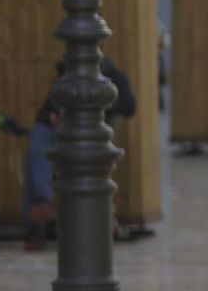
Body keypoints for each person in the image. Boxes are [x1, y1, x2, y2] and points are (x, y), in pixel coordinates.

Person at [24, 56, 137, 251]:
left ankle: (41, 209)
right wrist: (54, 118)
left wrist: (93, 107)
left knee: (39, 156)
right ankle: (43, 202)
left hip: (93, 133)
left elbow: (129, 106)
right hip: (61, 133)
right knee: (38, 140)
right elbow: (43, 114)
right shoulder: (64, 79)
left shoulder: (113, 77)